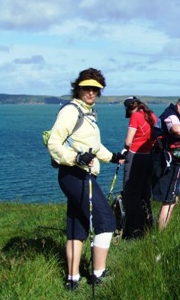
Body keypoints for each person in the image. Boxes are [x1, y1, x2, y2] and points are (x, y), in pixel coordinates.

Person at [47, 68, 125, 291]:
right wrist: (76, 157)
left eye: (95, 89)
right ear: (78, 88)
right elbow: (54, 142)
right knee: (106, 222)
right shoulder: (72, 111)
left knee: (77, 226)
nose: (91, 92)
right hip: (75, 174)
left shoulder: (88, 112)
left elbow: (94, 146)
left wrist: (113, 157)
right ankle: (98, 274)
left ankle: (73, 278)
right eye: (86, 87)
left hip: (77, 174)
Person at [151, 94, 180, 230]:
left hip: (162, 160)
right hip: (164, 162)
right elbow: (176, 128)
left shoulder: (171, 114)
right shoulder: (171, 115)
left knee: (173, 198)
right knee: (169, 200)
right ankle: (161, 233)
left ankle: (160, 227)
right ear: (179, 105)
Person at [122, 96, 157, 239]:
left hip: (136, 155)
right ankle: (148, 224)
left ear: (130, 108)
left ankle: (134, 230)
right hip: (149, 155)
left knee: (131, 192)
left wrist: (124, 150)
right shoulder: (151, 115)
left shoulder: (135, 116)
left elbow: (129, 141)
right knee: (145, 192)